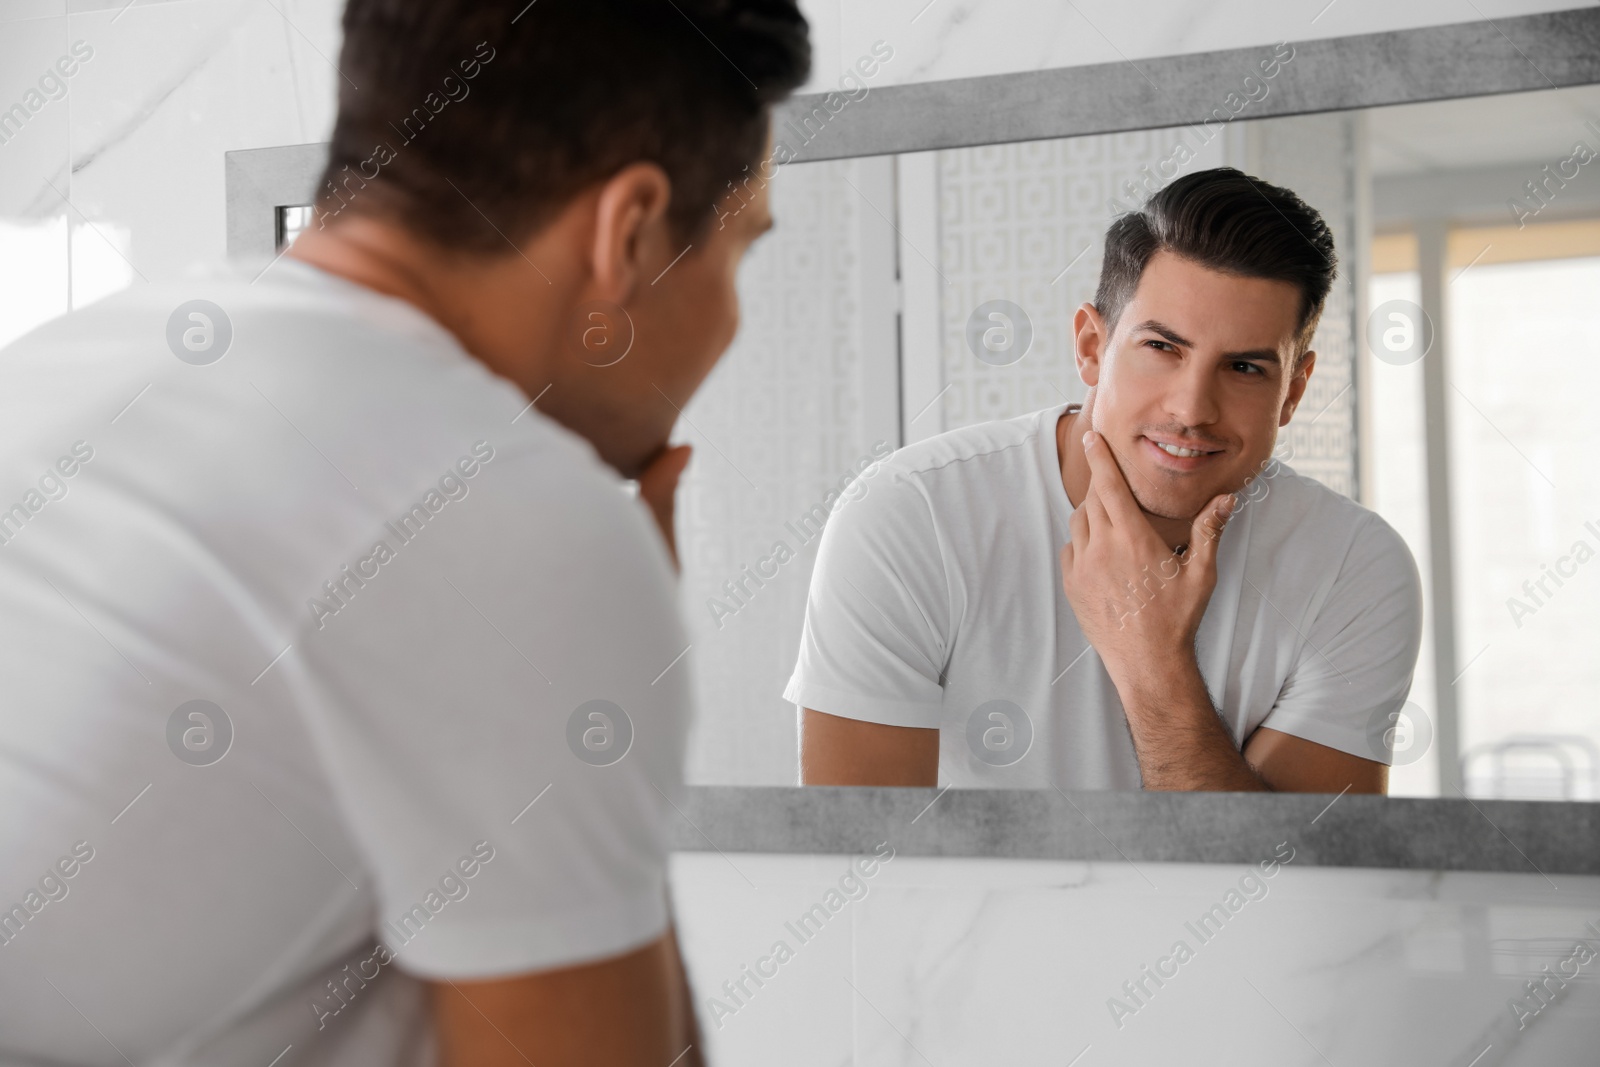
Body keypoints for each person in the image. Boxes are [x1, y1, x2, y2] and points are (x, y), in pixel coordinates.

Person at [0, 1, 807, 1064]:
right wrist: (604, 709)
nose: (732, 319)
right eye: (740, 252)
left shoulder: (62, 364)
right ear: (629, 233)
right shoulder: (507, 514)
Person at [791, 167, 1423, 795]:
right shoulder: (909, 515)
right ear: (1092, 346)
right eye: (1162, 348)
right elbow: (860, 869)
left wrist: (1153, 665)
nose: (1191, 409)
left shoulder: (1355, 566)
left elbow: (1291, 887)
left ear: (1295, 390)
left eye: (1244, 366)